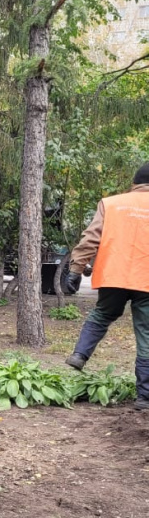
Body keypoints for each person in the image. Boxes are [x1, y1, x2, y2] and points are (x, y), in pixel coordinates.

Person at [64, 162, 149, 411]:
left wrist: (75, 269)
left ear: (134, 184)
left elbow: (91, 237)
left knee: (102, 315)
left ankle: (80, 355)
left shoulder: (111, 204)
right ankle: (145, 397)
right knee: (146, 335)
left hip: (113, 275)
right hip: (146, 280)